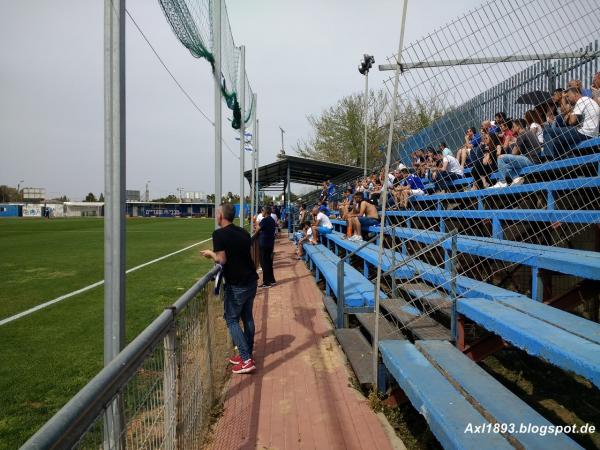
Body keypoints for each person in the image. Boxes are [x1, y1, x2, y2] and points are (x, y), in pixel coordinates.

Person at [201, 203, 258, 374]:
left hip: (237, 285)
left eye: (216, 213)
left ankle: (246, 359)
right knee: (247, 317)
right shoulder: (243, 232)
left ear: (220, 216)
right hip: (251, 280)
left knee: (231, 319)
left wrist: (210, 254)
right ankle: (247, 354)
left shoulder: (218, 234)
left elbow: (222, 259)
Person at [542, 86, 600, 158]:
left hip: (584, 133)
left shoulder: (582, 100)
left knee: (547, 131)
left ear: (576, 94)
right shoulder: (587, 100)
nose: (567, 99)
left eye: (568, 96)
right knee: (556, 141)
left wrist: (570, 114)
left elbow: (571, 122)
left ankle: (548, 158)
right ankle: (562, 158)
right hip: (590, 133)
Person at [491, 118, 541, 188]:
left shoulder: (522, 134)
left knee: (500, 158)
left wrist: (514, 142)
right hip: (533, 159)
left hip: (530, 159)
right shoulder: (529, 132)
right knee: (503, 167)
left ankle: (502, 182)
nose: (512, 128)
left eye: (513, 126)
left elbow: (514, 153)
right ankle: (516, 178)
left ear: (519, 127)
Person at [256, 206, 276, 288]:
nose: (261, 212)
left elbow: (258, 228)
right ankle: (271, 280)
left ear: (266, 212)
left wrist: (256, 222)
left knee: (264, 263)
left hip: (264, 244)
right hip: (270, 244)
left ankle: (266, 282)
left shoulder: (265, 220)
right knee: (269, 262)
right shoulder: (271, 220)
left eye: (262, 211)